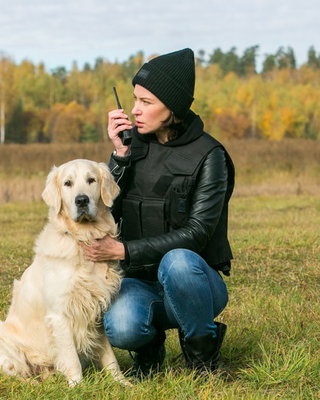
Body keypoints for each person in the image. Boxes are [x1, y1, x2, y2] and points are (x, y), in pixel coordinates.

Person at [81, 48, 235, 378]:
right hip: (138, 279)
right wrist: (119, 156)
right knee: (122, 328)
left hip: (195, 283)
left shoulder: (211, 156)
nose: (135, 110)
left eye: (146, 102)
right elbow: (106, 209)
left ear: (174, 107)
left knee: (178, 260)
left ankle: (202, 355)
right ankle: (149, 352)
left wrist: (124, 249)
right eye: (135, 99)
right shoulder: (130, 145)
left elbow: (198, 233)